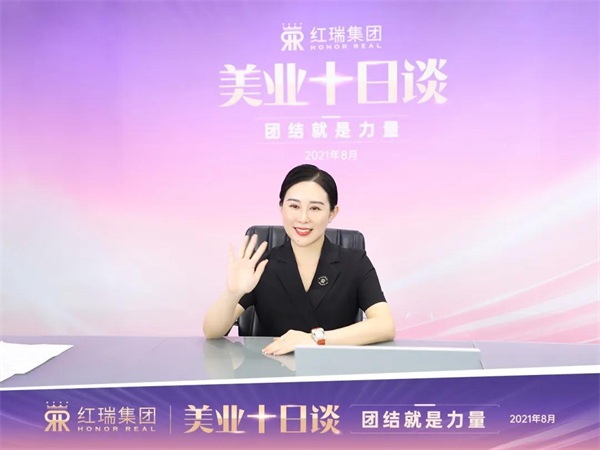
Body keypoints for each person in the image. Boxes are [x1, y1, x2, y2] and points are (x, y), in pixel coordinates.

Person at [203, 164, 395, 355]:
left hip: (335, 369)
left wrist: (316, 340)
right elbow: (212, 332)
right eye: (294, 206)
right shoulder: (262, 265)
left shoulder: (355, 262)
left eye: (315, 208)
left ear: (332, 213)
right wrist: (232, 293)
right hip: (270, 369)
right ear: (281, 207)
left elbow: (385, 325)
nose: (303, 218)